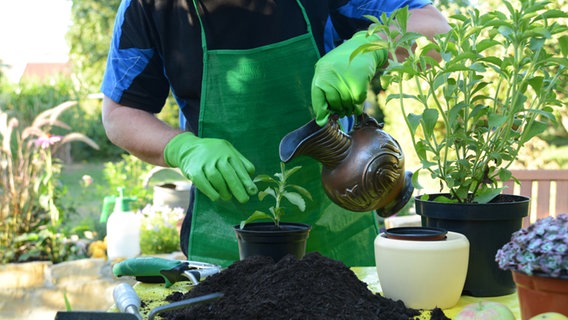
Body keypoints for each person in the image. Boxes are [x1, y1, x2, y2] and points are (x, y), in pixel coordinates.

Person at [101, 0, 450, 267]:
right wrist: (180, 148)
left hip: (339, 235)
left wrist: (373, 45)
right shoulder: (148, 7)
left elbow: (434, 27)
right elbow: (120, 114)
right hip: (226, 250)